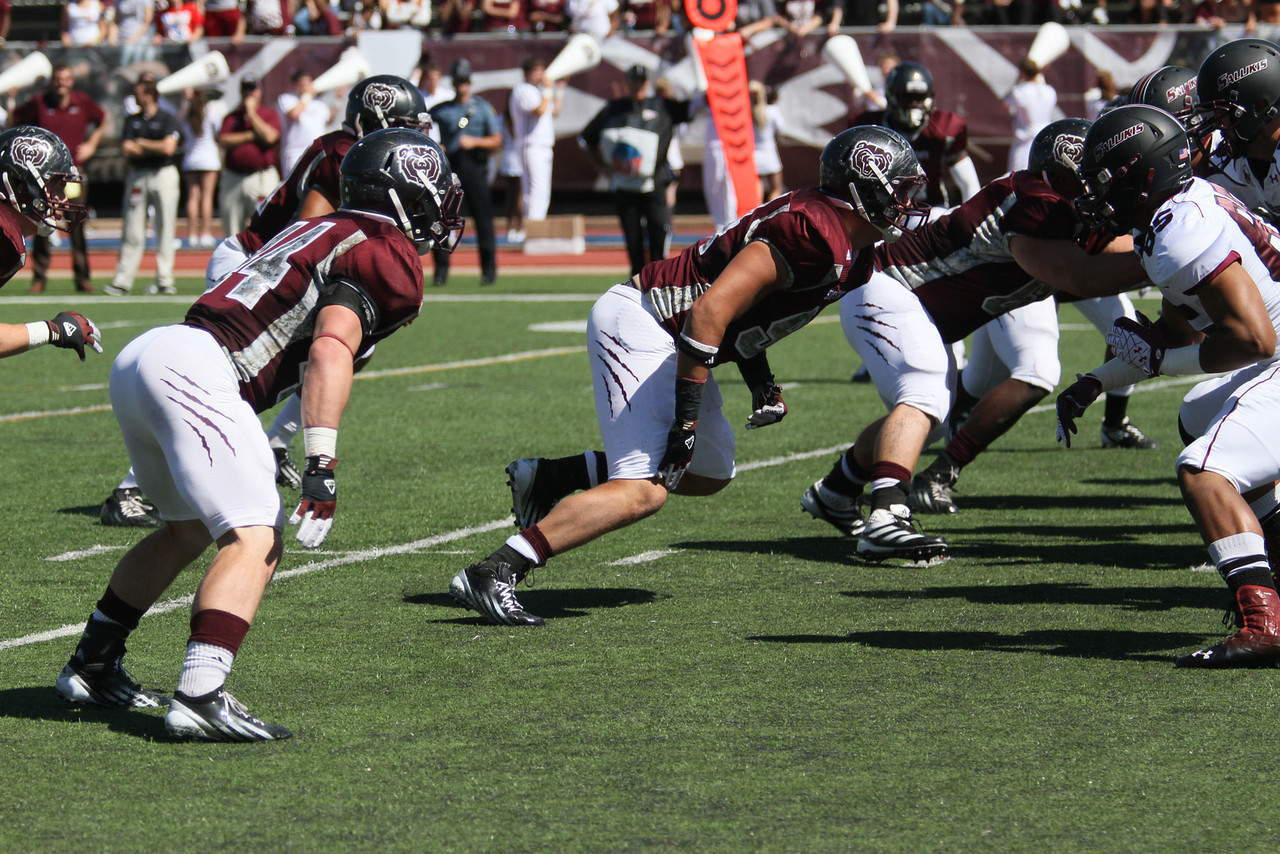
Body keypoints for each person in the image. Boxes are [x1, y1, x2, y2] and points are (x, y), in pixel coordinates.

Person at [54, 127, 463, 741]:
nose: (442, 202)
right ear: (402, 191)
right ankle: (200, 693)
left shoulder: (321, 225)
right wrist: (321, 461)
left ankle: (91, 664)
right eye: (432, 188)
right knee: (256, 536)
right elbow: (330, 345)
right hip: (202, 369)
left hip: (152, 355)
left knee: (187, 529)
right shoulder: (383, 248)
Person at [449, 126, 930, 626]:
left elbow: (747, 312)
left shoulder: (848, 250)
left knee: (709, 471)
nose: (905, 201)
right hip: (646, 321)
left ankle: (555, 476)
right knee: (644, 489)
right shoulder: (811, 230)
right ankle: (496, 570)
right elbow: (708, 314)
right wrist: (684, 424)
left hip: (673, 335)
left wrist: (759, 377)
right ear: (862, 187)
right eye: (898, 188)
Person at [800, 121, 1146, 562]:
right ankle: (887, 518)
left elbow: (1114, 247)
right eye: (1094, 176)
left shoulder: (1064, 204)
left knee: (934, 421)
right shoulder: (1037, 206)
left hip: (919, 307)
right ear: (1063, 177)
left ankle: (836, 491)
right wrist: (1164, 260)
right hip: (888, 288)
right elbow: (1075, 274)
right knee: (924, 395)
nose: (1104, 185)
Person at [1058, 105, 1280, 668]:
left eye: (1104, 182)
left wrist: (1162, 362)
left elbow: (1253, 341)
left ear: (1140, 173)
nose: (1096, 196)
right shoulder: (1180, 211)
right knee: (1199, 413)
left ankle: (1263, 622)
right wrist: (1097, 380)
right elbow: (1179, 328)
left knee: (1203, 471)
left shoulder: (1179, 227)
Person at [0, 126, 102, 361]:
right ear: (20, 185)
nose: (63, 198)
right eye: (55, 187)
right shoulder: (3, 235)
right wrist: (52, 331)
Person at [581, 64, 692, 276]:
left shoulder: (661, 107)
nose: (638, 85)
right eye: (634, 81)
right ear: (628, 83)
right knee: (633, 242)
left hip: (654, 182)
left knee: (658, 232)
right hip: (624, 185)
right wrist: (602, 167)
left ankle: (660, 280)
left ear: (647, 83)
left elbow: (693, 108)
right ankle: (637, 283)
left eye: (642, 81)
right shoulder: (612, 109)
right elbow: (587, 138)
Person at [10, 62, 105, 295]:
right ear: (52, 81)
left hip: (73, 175)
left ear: (71, 81)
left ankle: (82, 278)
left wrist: (92, 144)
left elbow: (101, 119)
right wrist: (11, 98)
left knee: (77, 225)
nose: (61, 83)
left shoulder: (81, 102)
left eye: (66, 78)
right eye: (58, 78)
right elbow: (15, 120)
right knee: (43, 223)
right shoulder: (40, 103)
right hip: (46, 177)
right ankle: (39, 278)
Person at [850, 61, 980, 212]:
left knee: (937, 216)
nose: (914, 105)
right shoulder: (870, 128)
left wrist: (972, 218)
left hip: (930, 210)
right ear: (891, 96)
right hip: (883, 213)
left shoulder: (944, 128)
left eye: (919, 97)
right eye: (907, 97)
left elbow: (968, 184)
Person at [105, 73, 183, 297]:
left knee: (166, 226)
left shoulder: (167, 118)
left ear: (149, 95)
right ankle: (123, 280)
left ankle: (165, 278)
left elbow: (168, 148)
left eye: (138, 94)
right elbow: (126, 148)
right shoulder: (133, 119)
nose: (134, 98)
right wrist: (152, 146)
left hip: (163, 174)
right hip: (138, 174)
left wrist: (142, 143)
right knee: (132, 229)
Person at [429, 58, 501, 286]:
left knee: (484, 220)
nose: (462, 85)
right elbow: (426, 131)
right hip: (451, 169)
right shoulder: (442, 110)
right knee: (442, 221)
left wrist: (476, 142)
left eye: (465, 81)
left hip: (475, 166)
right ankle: (441, 271)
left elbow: (496, 140)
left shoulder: (482, 108)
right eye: (459, 81)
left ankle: (488, 271)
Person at [217, 77, 281, 241]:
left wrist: (252, 114)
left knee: (264, 226)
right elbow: (223, 140)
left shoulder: (268, 114)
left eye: (253, 89)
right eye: (246, 89)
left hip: (261, 176)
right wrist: (250, 135)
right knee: (232, 229)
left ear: (260, 91)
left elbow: (270, 136)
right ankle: (233, 265)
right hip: (234, 178)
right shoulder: (232, 117)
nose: (249, 93)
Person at [509, 57, 564, 230]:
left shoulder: (539, 91)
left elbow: (554, 111)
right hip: (530, 145)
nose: (540, 75)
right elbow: (539, 110)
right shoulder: (523, 89)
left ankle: (535, 226)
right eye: (536, 71)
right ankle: (532, 228)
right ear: (527, 73)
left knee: (542, 191)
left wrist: (559, 89)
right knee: (534, 190)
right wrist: (548, 89)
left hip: (544, 145)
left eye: (542, 70)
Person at [179, 88, 227, 249]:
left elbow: (178, 123)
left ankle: (192, 234)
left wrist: (185, 101)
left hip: (191, 159)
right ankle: (205, 233)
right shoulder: (211, 113)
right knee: (207, 197)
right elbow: (218, 133)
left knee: (193, 197)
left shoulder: (187, 114)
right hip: (209, 159)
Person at [1004, 58, 1057, 173]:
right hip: (1045, 142)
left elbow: (1005, 103)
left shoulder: (1020, 92)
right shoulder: (1050, 91)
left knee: (1016, 179)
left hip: (1025, 144)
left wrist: (1017, 81)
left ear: (1022, 73)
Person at [277, 69, 333, 175]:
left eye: (308, 84)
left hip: (317, 153)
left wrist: (338, 99)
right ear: (294, 85)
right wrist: (307, 96)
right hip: (295, 155)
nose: (306, 88)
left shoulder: (318, 104)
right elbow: (294, 114)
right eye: (302, 84)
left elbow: (329, 119)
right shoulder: (287, 99)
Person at [750, 81, 786, 202]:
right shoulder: (772, 111)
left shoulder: (747, 112)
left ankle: (755, 210)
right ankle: (771, 212)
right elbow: (781, 128)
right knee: (776, 188)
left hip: (753, 153)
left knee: (757, 188)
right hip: (769, 151)